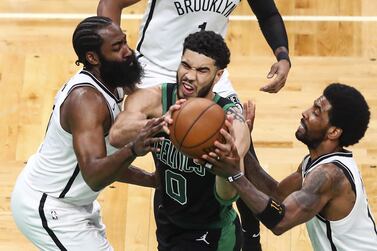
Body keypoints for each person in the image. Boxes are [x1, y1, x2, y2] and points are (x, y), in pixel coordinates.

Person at [97, 1, 290, 248]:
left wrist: (282, 56)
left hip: (208, 69)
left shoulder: (219, 88)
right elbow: (110, 4)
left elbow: (269, 13)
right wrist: (123, 70)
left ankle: (251, 239)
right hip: (157, 71)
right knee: (126, 153)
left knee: (240, 160)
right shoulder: (151, 97)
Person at [11, 16, 165, 251]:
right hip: (50, 206)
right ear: (93, 58)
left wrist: (152, 180)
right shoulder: (87, 102)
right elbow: (94, 174)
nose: (128, 51)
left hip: (75, 202)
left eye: (124, 41)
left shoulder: (116, 79)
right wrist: (134, 149)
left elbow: (105, 164)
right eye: (117, 47)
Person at [109, 30, 251, 250]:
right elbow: (117, 135)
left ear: (218, 75)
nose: (190, 76)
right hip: (167, 219)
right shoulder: (155, 100)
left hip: (211, 231)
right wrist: (161, 122)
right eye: (186, 65)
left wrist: (225, 163)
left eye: (202, 70)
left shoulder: (229, 119)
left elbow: (228, 194)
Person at [203, 83, 377, 251]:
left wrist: (234, 175)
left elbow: (280, 221)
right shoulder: (315, 162)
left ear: (334, 132)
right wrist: (241, 143)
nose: (305, 113)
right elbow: (277, 195)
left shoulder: (328, 176)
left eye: (316, 112)